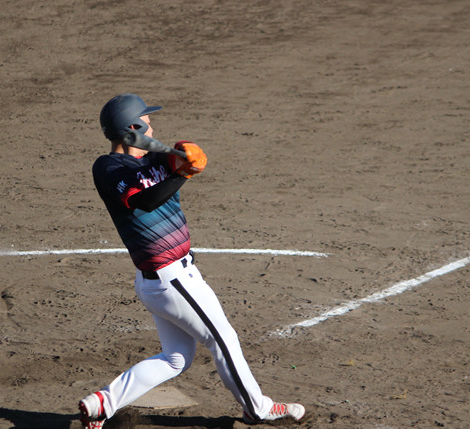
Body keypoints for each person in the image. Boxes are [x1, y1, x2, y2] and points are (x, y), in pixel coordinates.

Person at [78, 93, 305, 428]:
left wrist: (187, 153)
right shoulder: (108, 168)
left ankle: (102, 403)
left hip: (167, 280)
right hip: (171, 280)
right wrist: (182, 175)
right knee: (223, 339)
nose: (153, 126)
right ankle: (257, 408)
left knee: (176, 359)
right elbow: (143, 201)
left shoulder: (154, 159)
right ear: (133, 127)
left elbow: (176, 157)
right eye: (148, 121)